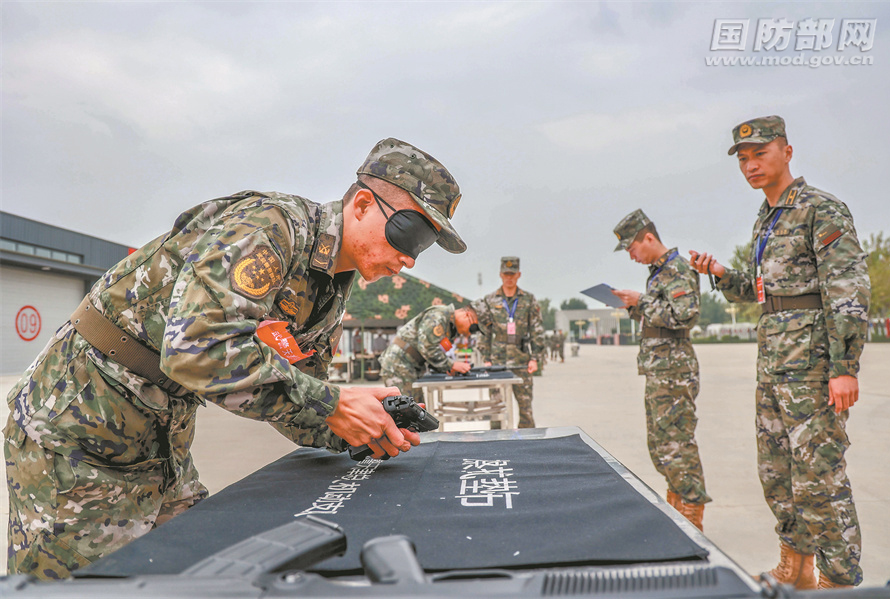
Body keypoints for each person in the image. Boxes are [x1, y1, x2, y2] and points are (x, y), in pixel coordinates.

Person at [4, 137, 466, 579]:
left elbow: (297, 404)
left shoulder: (327, 291)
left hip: (159, 443)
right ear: (363, 205)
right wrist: (334, 403)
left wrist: (362, 425)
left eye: (422, 247)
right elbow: (196, 348)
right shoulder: (272, 227)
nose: (410, 258)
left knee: (207, 571)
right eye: (409, 233)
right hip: (76, 433)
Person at [690, 116, 869, 589]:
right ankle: (796, 566)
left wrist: (844, 367)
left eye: (760, 154)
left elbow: (847, 290)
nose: (750, 165)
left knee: (820, 476)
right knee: (778, 473)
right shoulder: (765, 219)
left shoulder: (820, 209)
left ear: (787, 152)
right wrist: (724, 274)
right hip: (773, 364)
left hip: (812, 369)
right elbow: (763, 290)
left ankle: (840, 579)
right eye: (743, 159)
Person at [611, 209, 710, 531]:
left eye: (632, 248)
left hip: (674, 370)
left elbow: (685, 315)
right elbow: (661, 315)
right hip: (660, 369)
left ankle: (691, 515)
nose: (631, 256)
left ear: (649, 238)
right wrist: (634, 307)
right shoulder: (659, 271)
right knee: (661, 444)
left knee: (677, 443)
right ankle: (677, 508)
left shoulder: (677, 268)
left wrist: (641, 302)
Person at [478, 257, 545, 428]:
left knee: (526, 409)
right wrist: (486, 358)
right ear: (501, 275)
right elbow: (484, 331)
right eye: (506, 274)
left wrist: (535, 358)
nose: (509, 277)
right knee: (497, 410)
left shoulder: (528, 300)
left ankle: (528, 447)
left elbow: (537, 330)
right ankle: (497, 447)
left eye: (513, 274)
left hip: (522, 361)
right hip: (497, 363)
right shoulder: (490, 300)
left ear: (519, 275)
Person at [378, 304, 481, 402]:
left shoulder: (449, 326)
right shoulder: (438, 316)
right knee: (407, 412)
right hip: (400, 364)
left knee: (417, 410)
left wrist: (447, 368)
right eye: (473, 328)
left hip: (410, 367)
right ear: (467, 315)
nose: (469, 333)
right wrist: (452, 364)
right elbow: (427, 347)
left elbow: (436, 350)